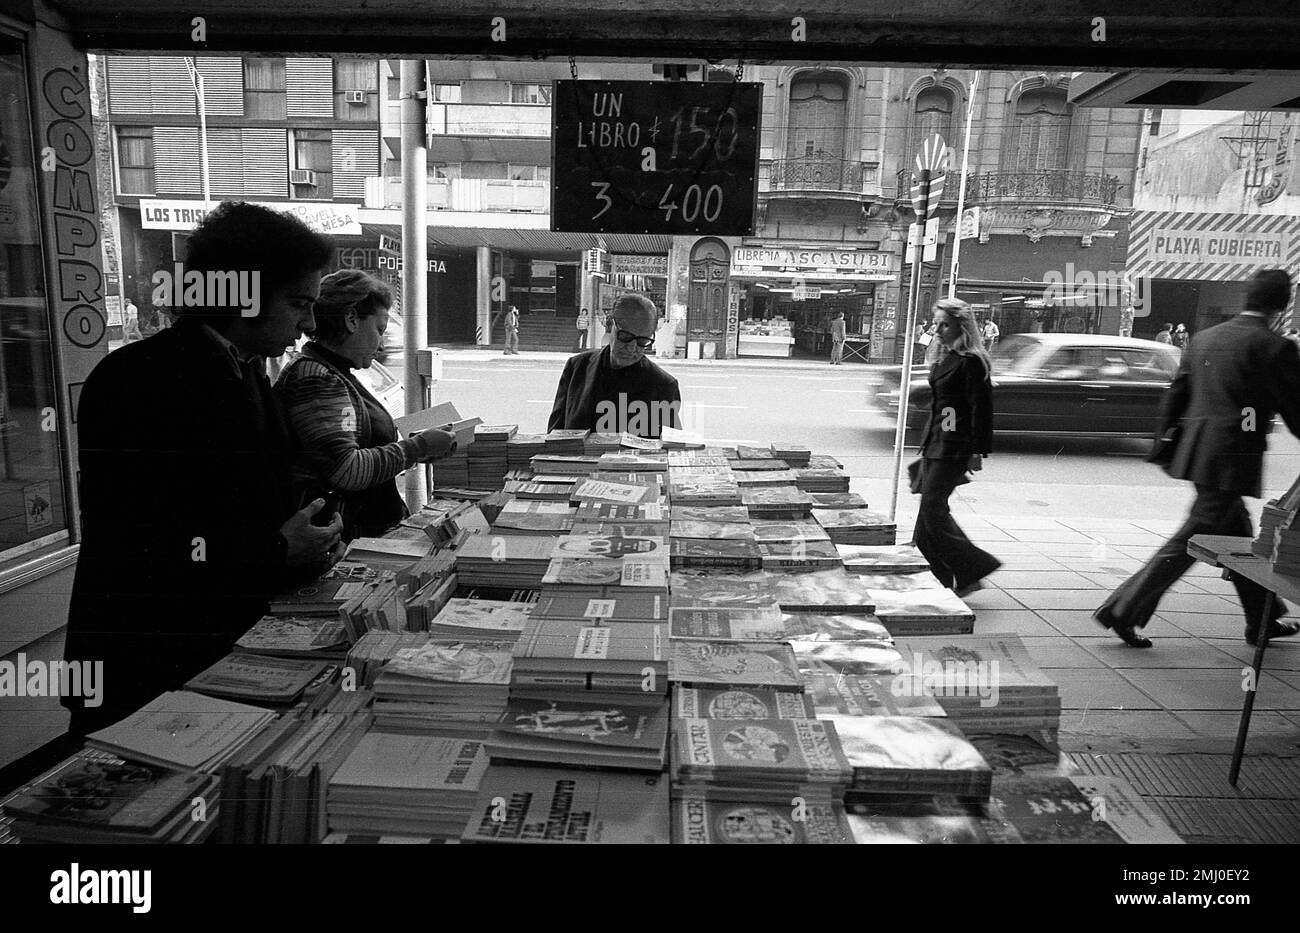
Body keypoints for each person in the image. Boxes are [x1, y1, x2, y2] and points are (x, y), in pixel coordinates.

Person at [63, 201, 344, 735]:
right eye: (298, 303)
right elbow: (136, 542)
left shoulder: (247, 367)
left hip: (220, 647)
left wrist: (311, 532)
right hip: (149, 664)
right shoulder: (136, 380)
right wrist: (278, 549)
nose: (309, 324)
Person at [1094, 269, 1300, 648]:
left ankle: (1263, 618)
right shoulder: (1275, 346)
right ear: (1281, 306)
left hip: (1200, 453)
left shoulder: (1206, 337)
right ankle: (1123, 610)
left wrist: (1164, 443)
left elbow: (1177, 394)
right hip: (1232, 460)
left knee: (1239, 537)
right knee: (1190, 540)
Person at [275, 270, 457, 543]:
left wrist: (420, 447)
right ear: (351, 319)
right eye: (379, 329)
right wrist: (418, 447)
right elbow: (348, 470)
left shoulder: (334, 372)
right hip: (346, 539)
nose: (382, 342)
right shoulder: (319, 379)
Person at [912, 298, 1001, 597]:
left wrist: (977, 450)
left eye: (944, 325)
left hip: (954, 448)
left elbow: (981, 408)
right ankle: (939, 576)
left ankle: (971, 570)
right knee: (927, 518)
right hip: (935, 443)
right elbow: (944, 402)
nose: (938, 330)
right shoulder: (946, 357)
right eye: (936, 324)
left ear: (961, 326)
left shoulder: (972, 361)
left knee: (932, 513)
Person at [547, 293, 681, 438]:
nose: (631, 348)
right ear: (610, 326)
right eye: (625, 337)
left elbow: (669, 449)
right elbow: (554, 438)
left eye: (642, 341)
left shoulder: (664, 386)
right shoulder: (576, 368)